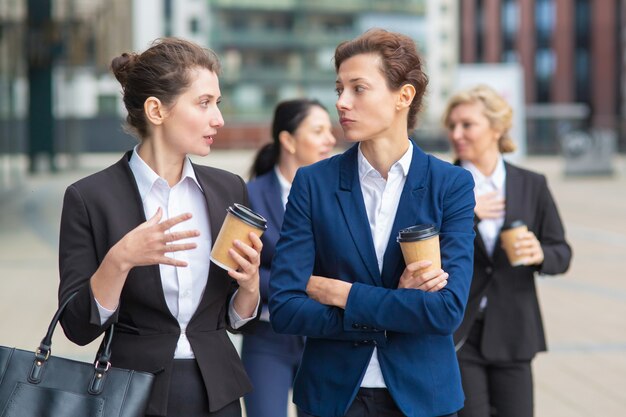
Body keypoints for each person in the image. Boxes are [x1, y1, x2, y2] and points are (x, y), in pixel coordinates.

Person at [268, 28, 476, 417]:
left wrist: (346, 295)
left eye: (358, 88)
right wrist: (398, 306)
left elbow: (447, 310)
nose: (342, 102)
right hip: (332, 396)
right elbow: (285, 308)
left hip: (423, 397)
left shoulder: (451, 185)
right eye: (339, 89)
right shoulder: (314, 183)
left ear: (404, 96)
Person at [57, 38, 262, 417]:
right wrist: (119, 260)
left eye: (217, 103)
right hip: (130, 393)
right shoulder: (90, 198)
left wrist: (250, 286)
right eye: (204, 103)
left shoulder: (228, 188)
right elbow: (76, 327)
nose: (218, 118)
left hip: (218, 392)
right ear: (156, 110)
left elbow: (236, 319)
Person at [444, 85, 572, 417]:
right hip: (460, 331)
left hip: (514, 330)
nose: (457, 133)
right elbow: (427, 251)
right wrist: (468, 214)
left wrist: (540, 253)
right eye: (452, 125)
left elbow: (562, 252)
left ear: (496, 129)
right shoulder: (441, 183)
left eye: (467, 124)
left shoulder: (532, 184)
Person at [242, 99, 336, 417]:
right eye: (318, 130)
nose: (330, 139)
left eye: (329, 130)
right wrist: (309, 284)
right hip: (268, 335)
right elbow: (240, 268)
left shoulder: (340, 195)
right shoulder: (250, 195)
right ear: (288, 140)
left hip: (324, 334)